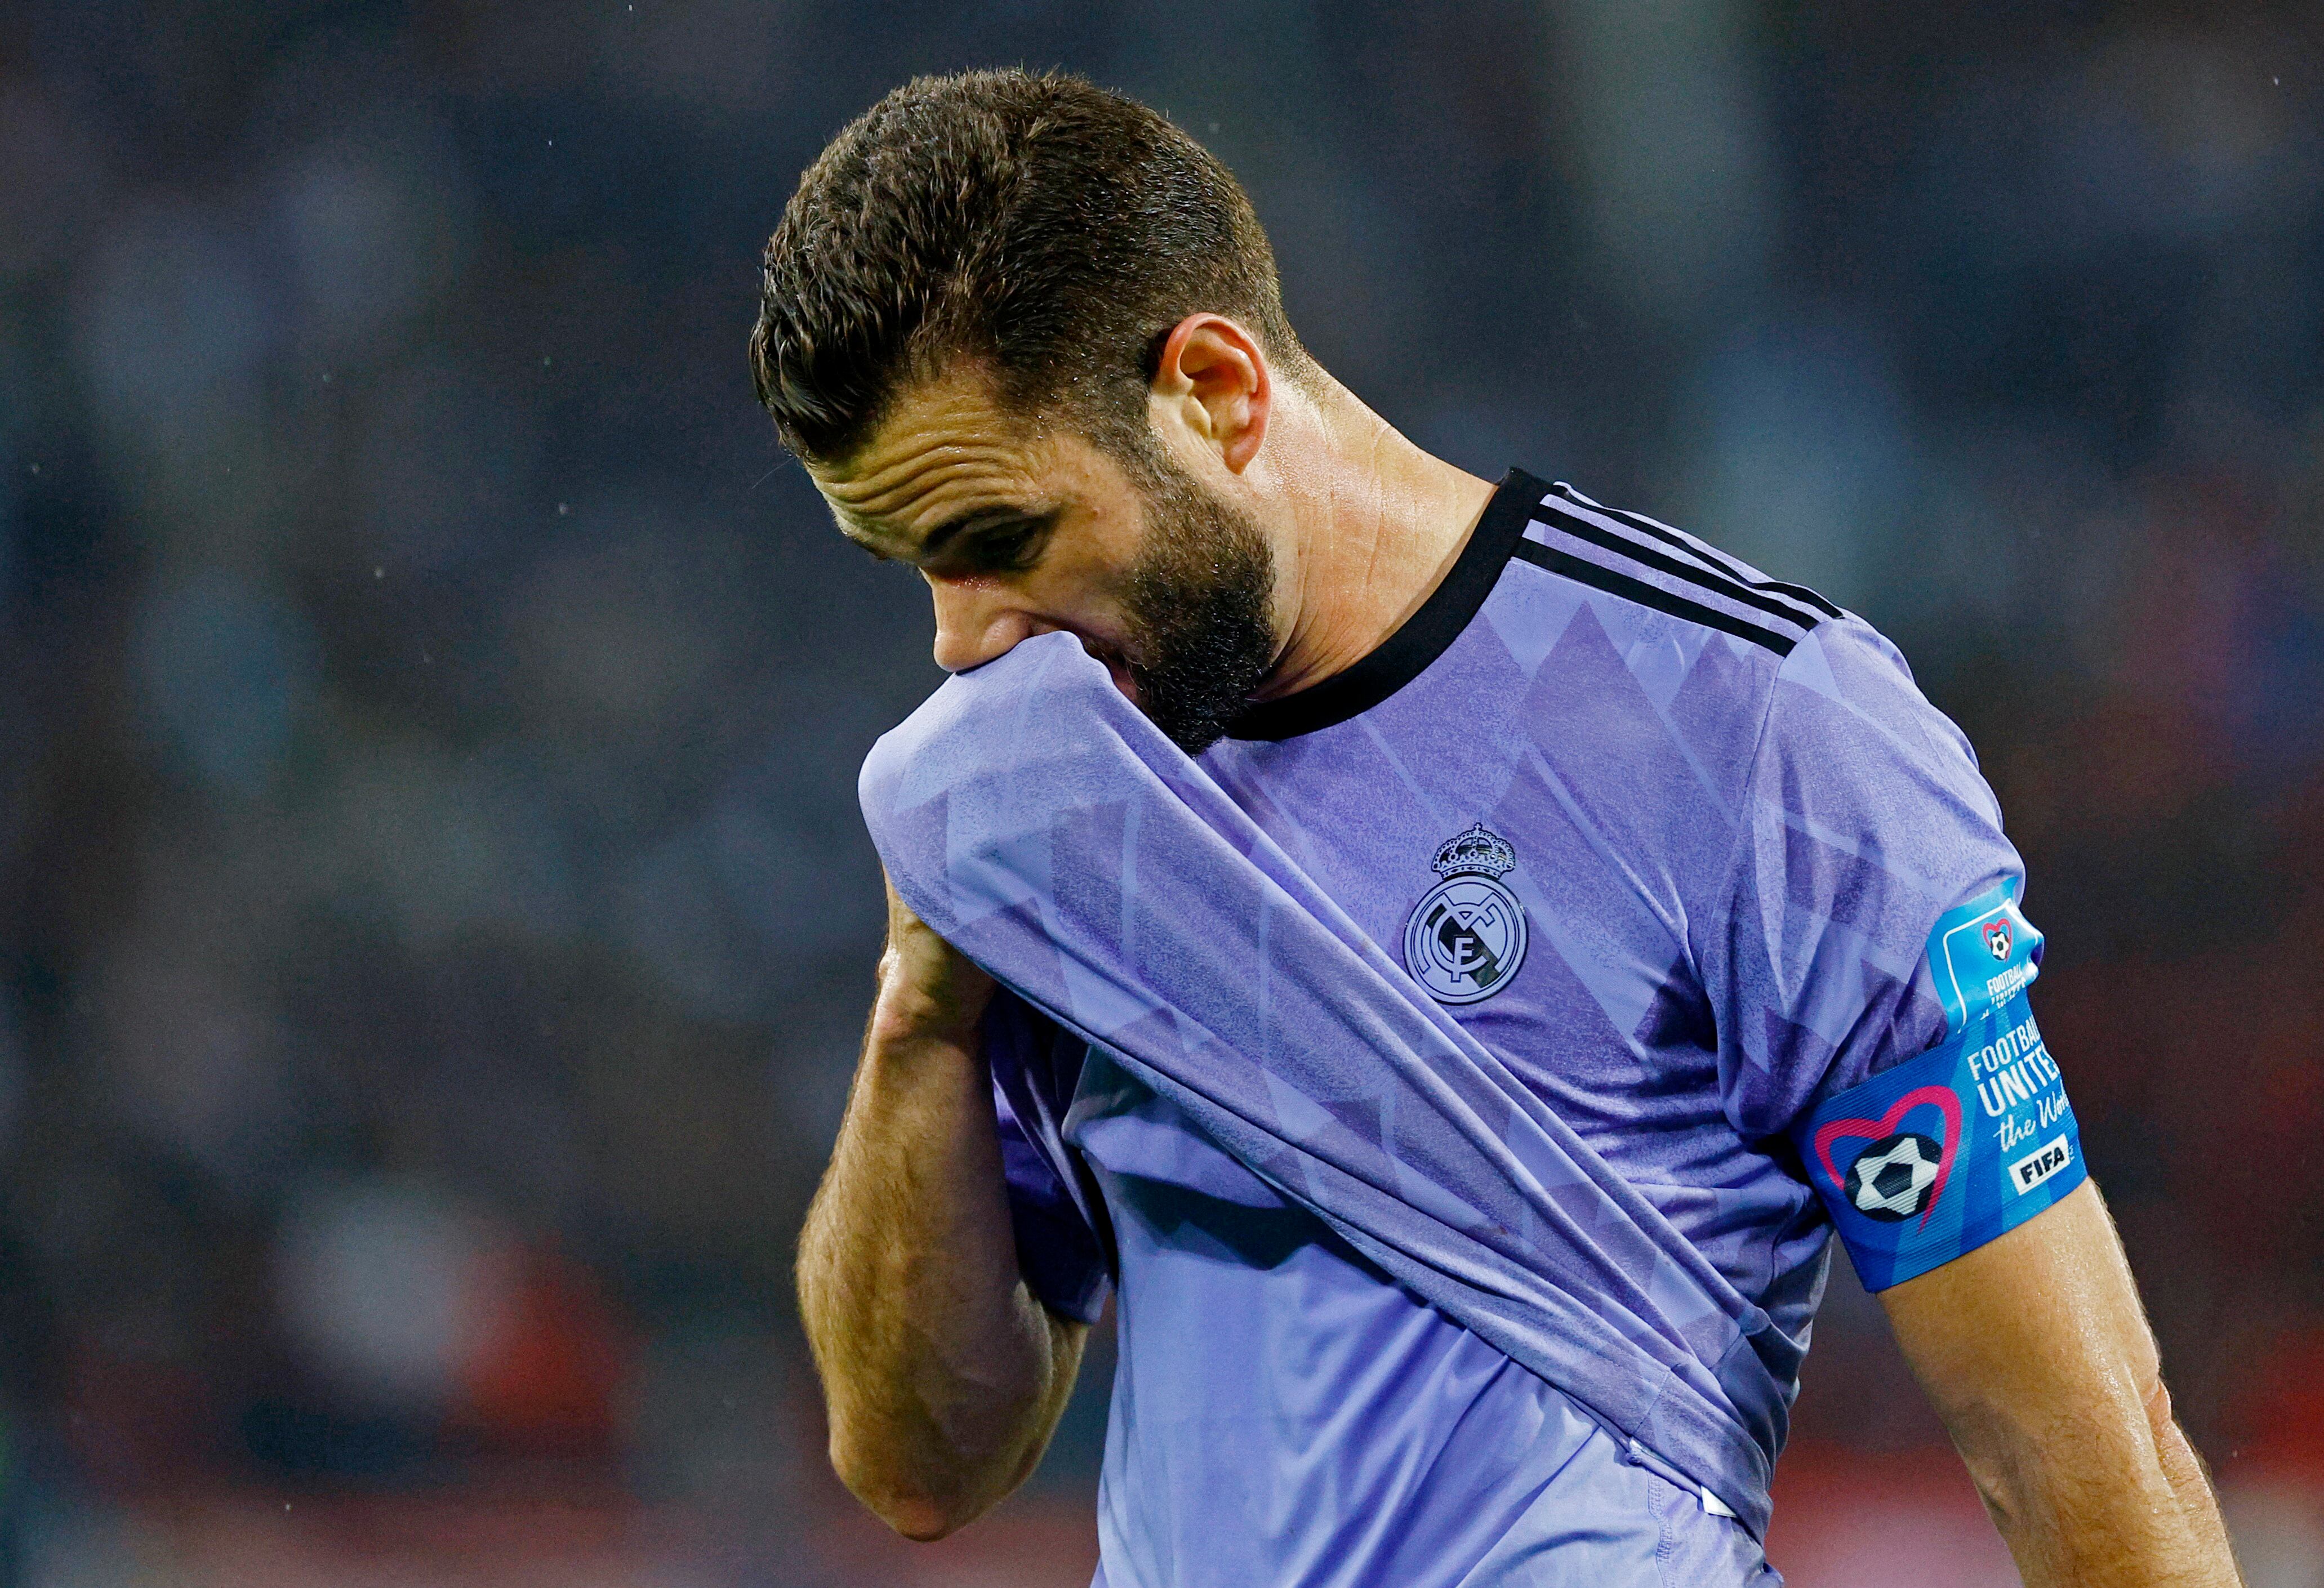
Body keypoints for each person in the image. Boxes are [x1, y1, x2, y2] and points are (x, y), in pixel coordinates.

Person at [752, 69, 2243, 1587]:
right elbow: (919, 1465)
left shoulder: (1754, 727)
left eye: (997, 543)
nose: (958, 647)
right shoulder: (1049, 801)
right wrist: (924, 1004)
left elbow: (2081, 1453)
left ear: (1216, 390)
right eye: (911, 569)